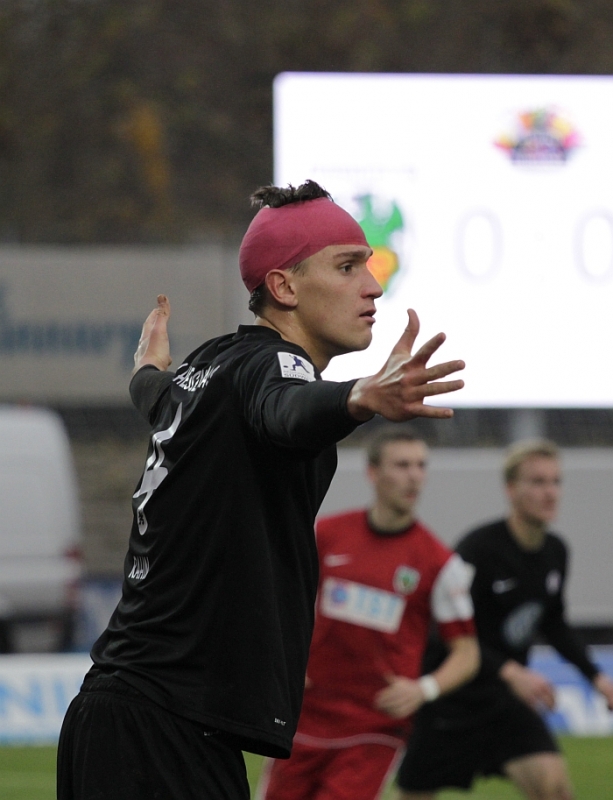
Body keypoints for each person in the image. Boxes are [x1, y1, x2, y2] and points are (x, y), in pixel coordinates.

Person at [56, 180, 466, 800]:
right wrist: (358, 397)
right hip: (163, 730)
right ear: (284, 287)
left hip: (130, 714)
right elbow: (286, 410)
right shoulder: (277, 365)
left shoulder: (211, 363)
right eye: (348, 267)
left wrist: (145, 372)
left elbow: (160, 398)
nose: (373, 286)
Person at [257, 427, 479, 800]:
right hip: (305, 716)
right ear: (373, 472)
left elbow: (467, 652)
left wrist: (423, 689)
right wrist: (285, 660)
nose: (414, 476)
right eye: (402, 465)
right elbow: (278, 601)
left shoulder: (440, 563)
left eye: (421, 465)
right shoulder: (326, 535)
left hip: (375, 726)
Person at [395, 439, 613, 800]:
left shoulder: (555, 552)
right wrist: (511, 671)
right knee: (414, 794)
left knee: (555, 789)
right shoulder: (478, 550)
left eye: (555, 482)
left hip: (505, 700)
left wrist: (596, 677)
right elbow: (443, 631)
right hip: (452, 699)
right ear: (511, 489)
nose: (550, 492)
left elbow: (554, 623)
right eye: (538, 482)